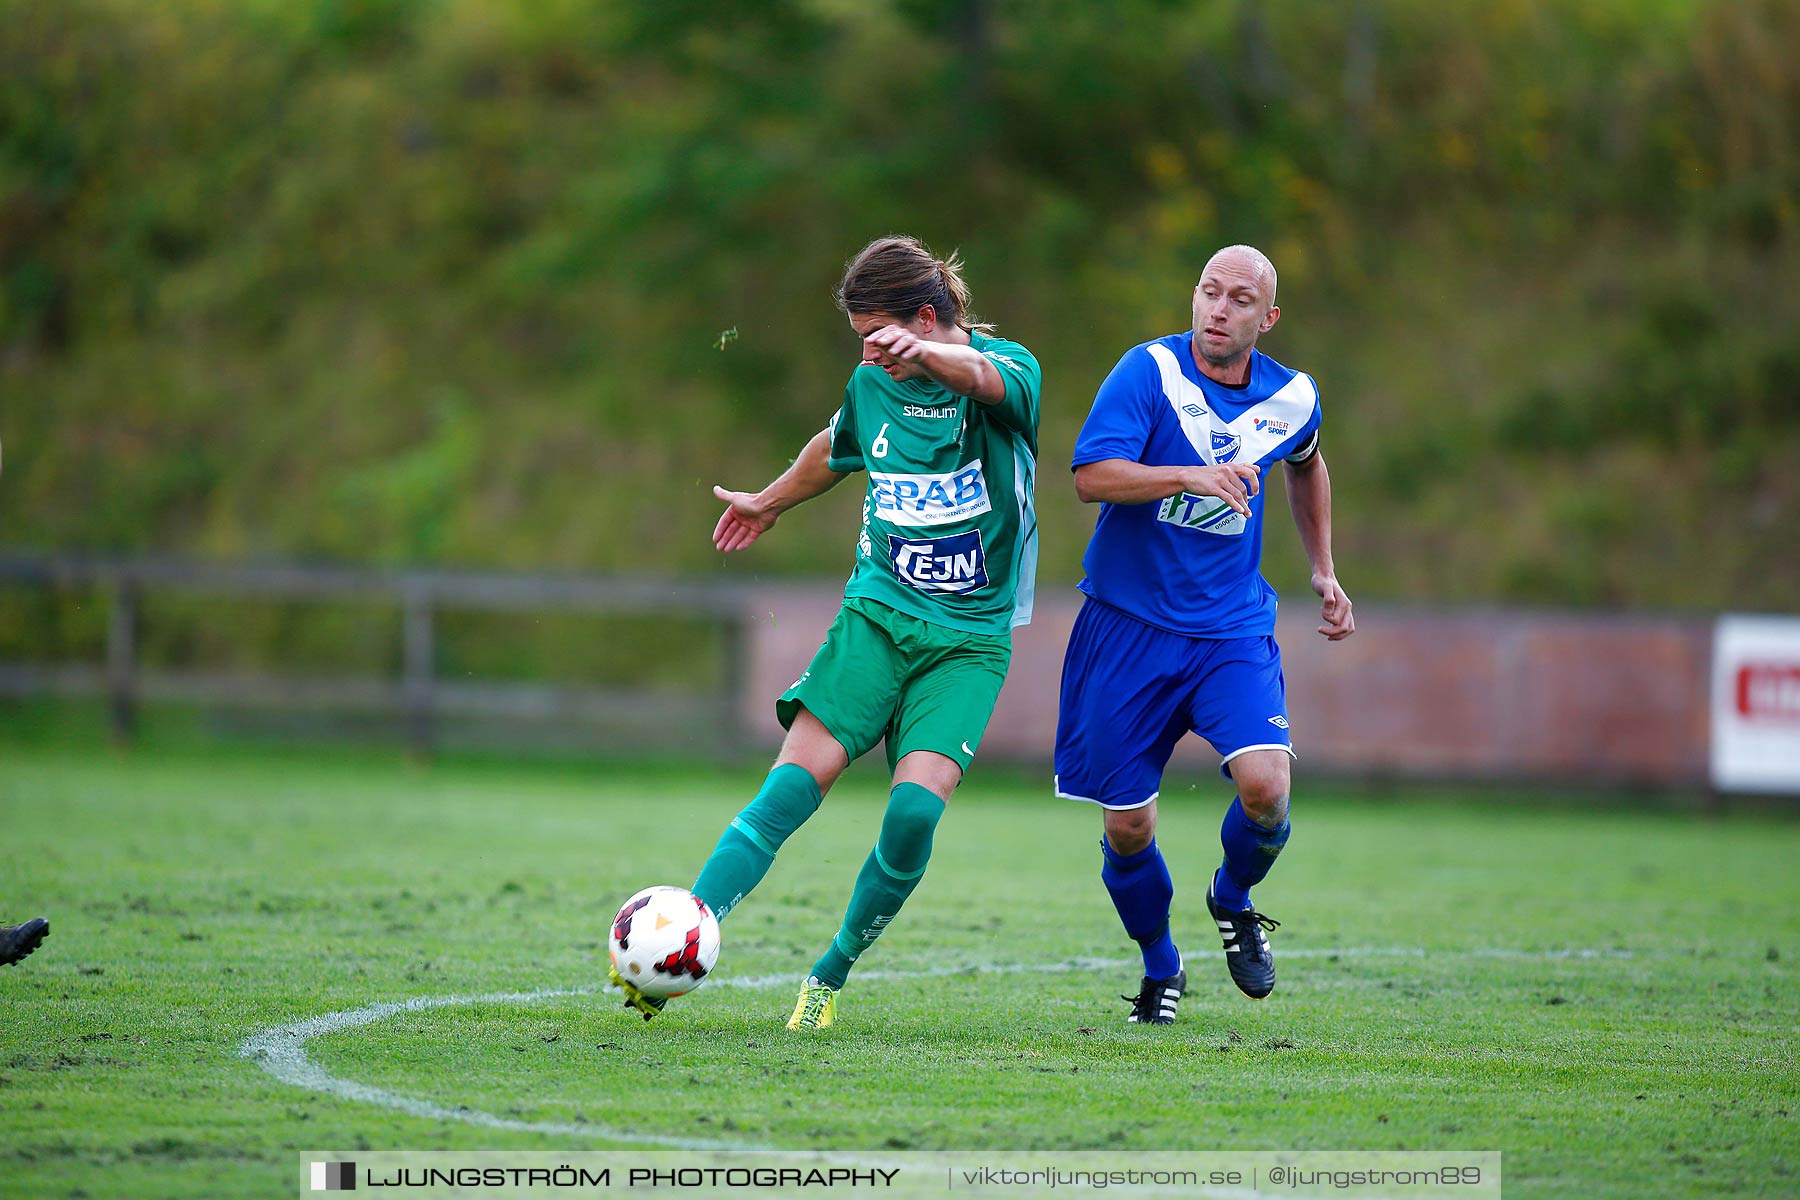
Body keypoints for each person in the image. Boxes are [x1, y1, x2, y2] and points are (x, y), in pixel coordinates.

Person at [610, 235, 1041, 1029]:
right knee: (789, 789)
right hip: (876, 616)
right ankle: (677, 936)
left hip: (969, 640)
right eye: (863, 346)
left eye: (881, 340)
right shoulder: (874, 382)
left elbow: (982, 378)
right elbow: (836, 444)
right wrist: (771, 499)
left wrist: (930, 353)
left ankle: (830, 973)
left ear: (921, 318)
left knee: (913, 816)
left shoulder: (1010, 371)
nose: (871, 360)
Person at [1053, 245, 1353, 1024]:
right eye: (1209, 293)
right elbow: (1091, 476)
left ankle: (1233, 897)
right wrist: (1185, 474)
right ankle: (1161, 967)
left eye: (1241, 299)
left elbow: (1308, 464)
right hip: (1127, 629)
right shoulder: (1148, 373)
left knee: (1268, 788)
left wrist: (1323, 568)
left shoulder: (1293, 398)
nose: (1220, 309)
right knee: (1129, 829)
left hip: (1229, 630)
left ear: (1268, 317)